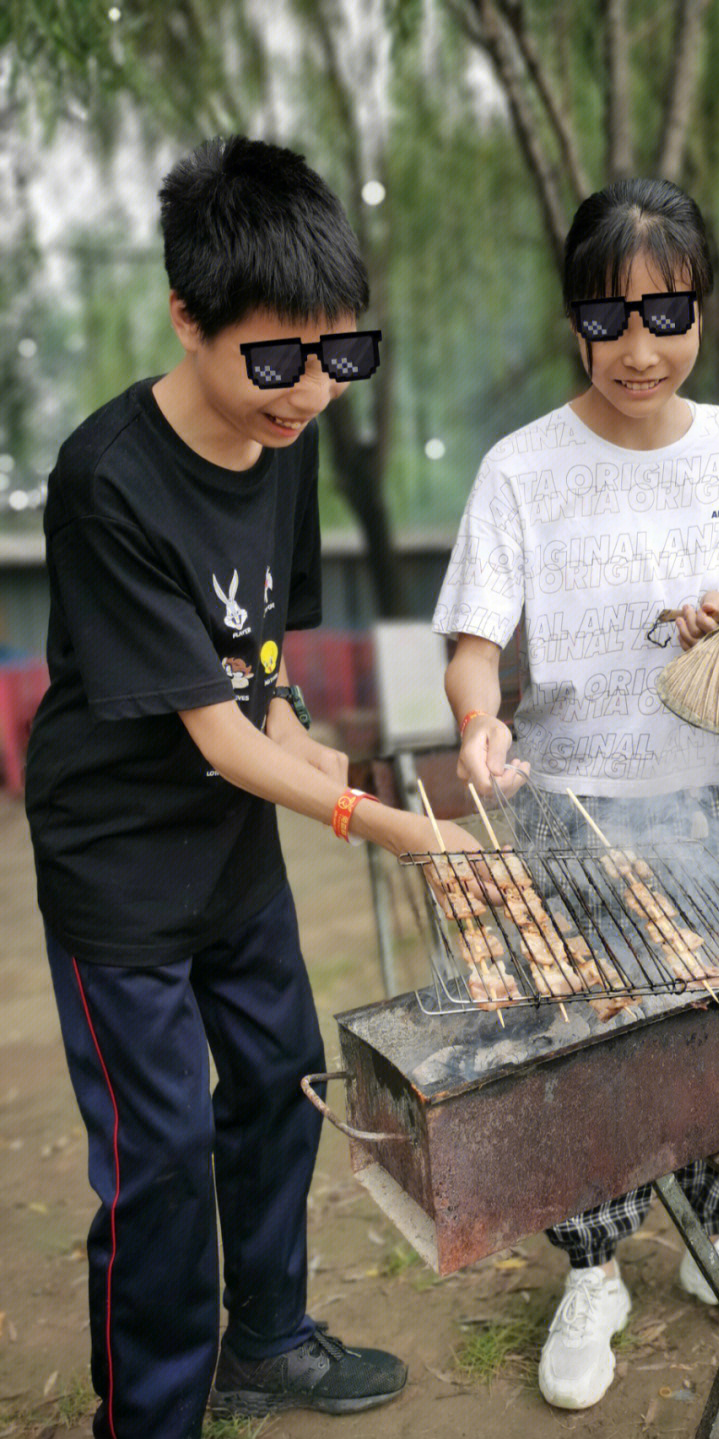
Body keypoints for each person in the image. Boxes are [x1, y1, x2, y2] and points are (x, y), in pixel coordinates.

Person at [24, 135, 483, 1438]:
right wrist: (384, 819)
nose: (307, 393)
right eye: (273, 360)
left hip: (229, 850)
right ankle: (152, 1414)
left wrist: (309, 732)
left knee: (280, 1075)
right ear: (188, 316)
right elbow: (217, 736)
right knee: (160, 1156)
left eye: (339, 355)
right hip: (119, 866)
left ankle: (267, 1339)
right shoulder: (106, 478)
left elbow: (258, 670)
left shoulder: (288, 438)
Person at [434, 177, 719, 1411]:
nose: (640, 349)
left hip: (710, 796)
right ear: (573, 320)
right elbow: (475, 642)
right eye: (609, 320)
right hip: (571, 806)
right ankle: (594, 1267)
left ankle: (717, 1235)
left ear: (702, 308)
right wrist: (478, 721)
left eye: (668, 314)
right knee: (587, 1052)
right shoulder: (520, 468)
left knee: (713, 1042)